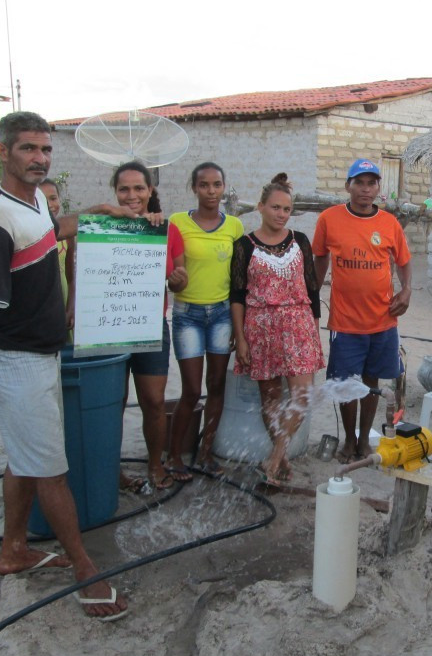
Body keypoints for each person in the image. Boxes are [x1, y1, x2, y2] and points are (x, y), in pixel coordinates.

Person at [0, 111, 132, 621]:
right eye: (28, 149)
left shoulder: (36, 199)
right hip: (17, 358)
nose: (39, 159)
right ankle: (85, 570)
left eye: (45, 150)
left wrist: (97, 213)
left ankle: (13, 549)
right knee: (51, 472)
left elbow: (49, 233)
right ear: (3, 151)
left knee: (25, 456)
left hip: (40, 353)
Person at [312, 158, 412, 463]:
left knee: (372, 382)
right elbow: (319, 257)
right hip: (345, 322)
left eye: (372, 183)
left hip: (383, 321)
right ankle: (349, 440)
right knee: (345, 386)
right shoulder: (329, 219)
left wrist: (406, 290)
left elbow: (404, 261)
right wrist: (311, 295)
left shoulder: (389, 223)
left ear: (378, 188)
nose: (366, 189)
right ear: (348, 186)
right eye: (359, 183)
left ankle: (365, 440)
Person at [231, 173, 324, 485]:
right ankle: (280, 459)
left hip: (299, 325)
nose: (281, 214)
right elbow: (237, 295)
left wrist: (314, 331)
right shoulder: (244, 246)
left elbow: (312, 289)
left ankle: (273, 457)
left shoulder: (301, 241)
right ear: (260, 207)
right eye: (275, 207)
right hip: (261, 328)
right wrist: (241, 338)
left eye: (286, 209)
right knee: (269, 398)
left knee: (302, 395)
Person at [110, 161, 188, 491]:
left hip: (151, 325)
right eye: (124, 189)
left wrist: (179, 279)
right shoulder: (102, 227)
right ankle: (111, 470)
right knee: (112, 404)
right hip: (110, 325)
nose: (132, 195)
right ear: (115, 192)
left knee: (154, 402)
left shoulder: (166, 230)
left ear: (150, 190)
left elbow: (179, 281)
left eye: (139, 188)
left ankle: (155, 464)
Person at [165, 162, 244, 480]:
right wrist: (174, 281)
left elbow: (239, 279)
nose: (211, 191)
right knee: (190, 389)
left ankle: (206, 452)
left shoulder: (234, 226)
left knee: (217, 384)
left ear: (224, 187)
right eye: (204, 185)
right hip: (188, 316)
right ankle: (174, 456)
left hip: (222, 315)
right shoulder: (177, 222)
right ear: (194, 188)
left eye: (217, 184)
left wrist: (239, 323)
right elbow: (173, 273)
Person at [38, 179, 75, 332]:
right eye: (42, 200)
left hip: (62, 301)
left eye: (53, 198)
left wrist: (70, 308)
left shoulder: (68, 236)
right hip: (41, 307)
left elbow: (71, 278)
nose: (50, 204)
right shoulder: (30, 236)